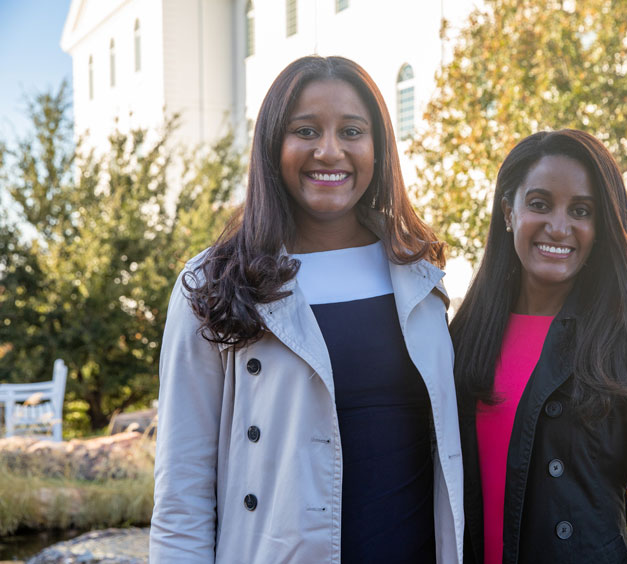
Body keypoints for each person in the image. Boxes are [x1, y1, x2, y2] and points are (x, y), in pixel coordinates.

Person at [149, 56, 464, 564]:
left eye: (352, 131)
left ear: (379, 149)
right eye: (306, 130)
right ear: (273, 146)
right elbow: (182, 495)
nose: (330, 150)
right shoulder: (213, 284)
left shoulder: (420, 273)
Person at [450, 129, 627, 563]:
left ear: (601, 227)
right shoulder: (463, 338)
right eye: (539, 204)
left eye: (581, 210)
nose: (559, 226)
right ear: (508, 213)